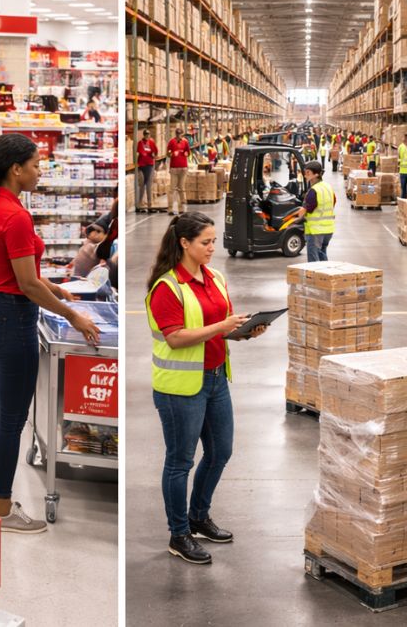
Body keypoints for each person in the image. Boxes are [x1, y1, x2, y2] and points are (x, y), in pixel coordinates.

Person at [0, 133, 101, 533]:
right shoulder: (15, 215)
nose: (41, 172)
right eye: (36, 165)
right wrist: (73, 316)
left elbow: (10, 272)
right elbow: (24, 284)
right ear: (15, 169)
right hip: (11, 320)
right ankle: (3, 510)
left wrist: (52, 286)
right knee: (12, 419)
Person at [145, 212, 266, 565]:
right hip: (181, 388)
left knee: (220, 452)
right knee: (180, 462)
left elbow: (220, 328)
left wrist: (243, 330)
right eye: (206, 242)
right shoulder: (167, 287)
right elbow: (176, 338)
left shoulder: (215, 277)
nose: (213, 248)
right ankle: (178, 533)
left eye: (214, 241)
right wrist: (221, 326)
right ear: (184, 243)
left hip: (215, 379)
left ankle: (198, 518)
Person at [302, 161, 336, 262]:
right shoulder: (328, 186)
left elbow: (308, 209)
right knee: (322, 257)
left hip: (315, 231)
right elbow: (333, 202)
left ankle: (316, 278)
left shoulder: (313, 191)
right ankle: (326, 277)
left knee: (314, 263)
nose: (305, 175)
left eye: (308, 172)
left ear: (316, 174)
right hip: (328, 230)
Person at [167, 128, 191, 216]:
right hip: (174, 168)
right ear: (175, 134)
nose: (178, 136)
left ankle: (182, 208)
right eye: (177, 134)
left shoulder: (185, 142)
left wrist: (186, 154)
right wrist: (172, 154)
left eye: (180, 134)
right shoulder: (171, 142)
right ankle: (170, 208)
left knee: (181, 187)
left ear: (182, 134)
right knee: (172, 189)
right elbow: (168, 153)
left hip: (183, 168)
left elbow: (188, 152)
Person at [136, 129, 158, 213]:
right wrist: (146, 153)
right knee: (142, 184)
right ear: (144, 135)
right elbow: (141, 152)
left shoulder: (151, 142)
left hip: (149, 165)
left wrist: (154, 155)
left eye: (148, 135)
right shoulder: (140, 143)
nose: (147, 136)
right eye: (146, 135)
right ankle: (140, 203)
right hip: (142, 166)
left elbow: (155, 151)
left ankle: (149, 203)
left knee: (148, 184)